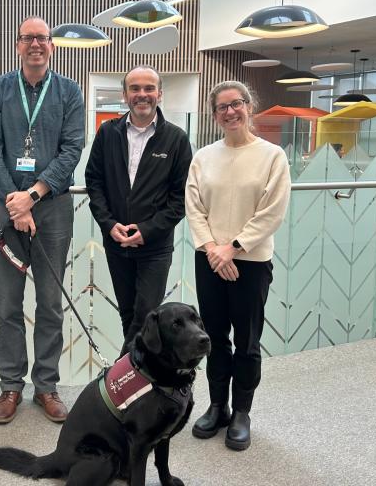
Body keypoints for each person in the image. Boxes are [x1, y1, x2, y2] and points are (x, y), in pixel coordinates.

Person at [0, 16, 85, 424]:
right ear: (17, 45)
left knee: (50, 302)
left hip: (51, 208)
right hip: (5, 207)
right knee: (8, 303)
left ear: (52, 46)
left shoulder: (69, 91)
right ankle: (10, 385)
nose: (36, 44)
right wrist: (15, 202)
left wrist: (33, 195)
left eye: (42, 38)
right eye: (28, 38)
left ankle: (46, 385)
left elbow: (72, 148)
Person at [185, 80, 291, 451]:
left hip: (251, 261)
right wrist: (214, 250)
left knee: (246, 341)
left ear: (249, 106)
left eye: (237, 103)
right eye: (222, 107)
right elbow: (194, 208)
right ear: (214, 115)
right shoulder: (203, 157)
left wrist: (232, 248)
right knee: (213, 338)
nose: (230, 112)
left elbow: (272, 211)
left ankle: (242, 412)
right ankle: (218, 406)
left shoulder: (272, 156)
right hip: (209, 260)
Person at [85, 65, 192, 355]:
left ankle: (122, 373)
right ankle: (139, 374)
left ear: (160, 94)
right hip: (116, 241)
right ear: (124, 95)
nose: (142, 94)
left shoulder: (176, 139)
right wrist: (109, 224)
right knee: (129, 313)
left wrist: (146, 231)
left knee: (146, 314)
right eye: (134, 88)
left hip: (154, 246)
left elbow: (181, 198)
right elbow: (94, 182)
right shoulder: (107, 133)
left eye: (148, 88)